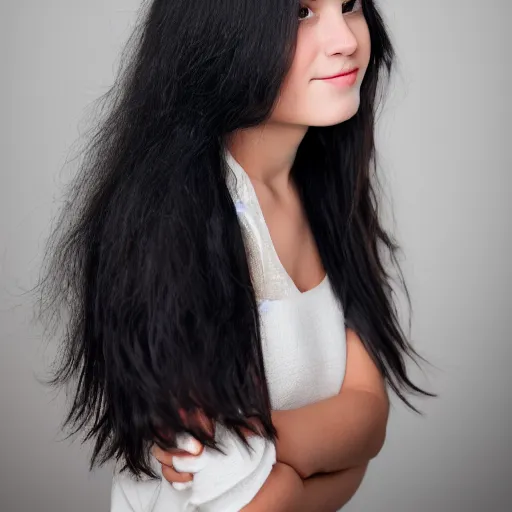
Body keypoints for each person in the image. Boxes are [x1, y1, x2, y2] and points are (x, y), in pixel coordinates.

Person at [34, 0, 435, 510]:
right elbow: (240, 494)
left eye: (350, 5)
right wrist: (313, 462)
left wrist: (278, 459)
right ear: (222, 30)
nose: (346, 39)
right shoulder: (170, 225)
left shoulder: (324, 193)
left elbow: (367, 418)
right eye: (301, 12)